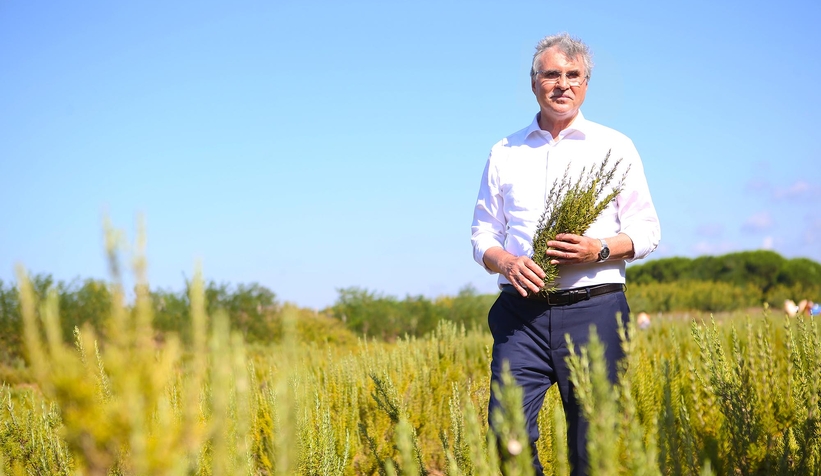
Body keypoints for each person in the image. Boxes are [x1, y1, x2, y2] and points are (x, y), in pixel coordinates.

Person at [470, 33, 661, 476]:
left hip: (596, 311)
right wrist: (508, 262)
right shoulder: (504, 151)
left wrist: (599, 248)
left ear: (586, 84)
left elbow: (648, 230)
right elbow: (482, 233)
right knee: (506, 433)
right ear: (533, 82)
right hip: (522, 316)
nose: (563, 84)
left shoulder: (616, 146)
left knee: (593, 447)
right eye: (551, 74)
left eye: (573, 75)